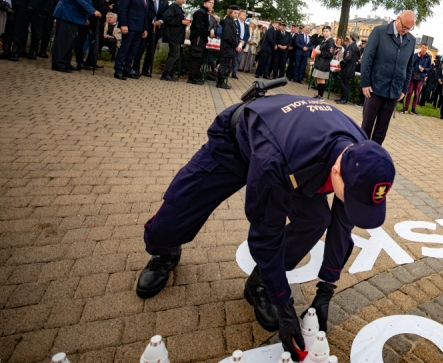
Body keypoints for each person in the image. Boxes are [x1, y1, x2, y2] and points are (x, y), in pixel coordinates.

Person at [135, 89, 396, 361]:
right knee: (166, 227)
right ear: (336, 172)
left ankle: (259, 283)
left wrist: (326, 289)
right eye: (352, 198)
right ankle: (165, 252)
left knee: (317, 218)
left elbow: (342, 223)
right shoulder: (276, 163)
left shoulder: (361, 155)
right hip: (237, 143)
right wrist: (284, 303)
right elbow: (264, 235)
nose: (352, 204)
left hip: (297, 158)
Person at [360, 10, 416, 145]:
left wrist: (404, 89)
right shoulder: (379, 32)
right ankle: (360, 154)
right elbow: (367, 59)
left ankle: (375, 155)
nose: (405, 31)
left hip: (394, 91)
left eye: (409, 29)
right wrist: (365, 83)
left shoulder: (411, 40)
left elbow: (409, 67)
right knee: (367, 126)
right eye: (403, 27)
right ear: (397, 19)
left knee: (381, 129)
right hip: (374, 88)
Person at [50, 0, 101, 72]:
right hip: (67, 14)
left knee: (70, 41)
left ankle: (65, 62)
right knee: (63, 40)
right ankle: (59, 63)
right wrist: (92, 11)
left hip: (74, 16)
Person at [114, 0, 150, 80]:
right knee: (125, 48)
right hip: (129, 26)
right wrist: (123, 24)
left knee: (133, 50)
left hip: (139, 28)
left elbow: (145, 13)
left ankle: (127, 69)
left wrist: (145, 28)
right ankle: (118, 69)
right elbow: (123, 9)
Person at [134, 0, 168, 77]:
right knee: (141, 48)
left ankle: (146, 69)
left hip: (157, 29)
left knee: (151, 50)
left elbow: (166, 15)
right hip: (146, 27)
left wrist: (160, 21)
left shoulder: (164, 3)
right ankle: (136, 68)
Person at [158, 0, 188, 81]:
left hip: (177, 35)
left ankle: (168, 72)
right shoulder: (173, 7)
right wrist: (181, 22)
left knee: (173, 54)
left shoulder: (179, 8)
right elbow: (167, 18)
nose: (183, 0)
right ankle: (166, 73)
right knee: (175, 54)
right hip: (173, 35)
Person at [187, 0, 215, 85]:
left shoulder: (204, 13)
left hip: (201, 38)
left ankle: (195, 75)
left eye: (213, 3)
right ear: (205, 2)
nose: (211, 4)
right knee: (196, 56)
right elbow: (200, 27)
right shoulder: (200, 12)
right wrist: (208, 33)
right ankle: (192, 77)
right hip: (198, 37)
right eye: (210, 2)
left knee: (199, 57)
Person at [402, 44, 432, 114]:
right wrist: (418, 58)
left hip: (420, 77)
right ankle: (406, 107)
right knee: (409, 92)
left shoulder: (428, 57)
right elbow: (411, 64)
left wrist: (424, 69)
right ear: (420, 47)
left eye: (426, 48)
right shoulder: (415, 55)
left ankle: (413, 108)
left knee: (417, 94)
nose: (424, 49)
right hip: (413, 76)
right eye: (423, 47)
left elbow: (429, 68)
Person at [215, 6, 240, 89]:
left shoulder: (232, 22)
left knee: (230, 64)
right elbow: (228, 36)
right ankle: (220, 82)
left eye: (237, 13)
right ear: (230, 12)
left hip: (230, 47)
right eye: (235, 13)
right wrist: (235, 44)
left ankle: (222, 80)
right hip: (227, 47)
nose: (236, 15)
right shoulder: (228, 22)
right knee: (225, 64)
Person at [336, 31, 361, 105]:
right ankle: (343, 98)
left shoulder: (351, 46)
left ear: (351, 37)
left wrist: (341, 63)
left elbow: (347, 58)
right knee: (345, 84)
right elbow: (357, 57)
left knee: (345, 84)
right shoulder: (356, 47)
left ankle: (344, 99)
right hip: (351, 69)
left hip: (347, 69)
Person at [311, 25, 335, 100]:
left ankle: (321, 96)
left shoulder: (330, 41)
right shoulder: (324, 40)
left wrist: (320, 52)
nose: (325, 33)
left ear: (330, 32)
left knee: (321, 79)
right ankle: (318, 95)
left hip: (324, 63)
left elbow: (330, 54)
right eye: (324, 31)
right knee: (318, 79)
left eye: (327, 31)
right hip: (319, 62)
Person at [231, 10, 249, 79]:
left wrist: (244, 41)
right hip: (235, 43)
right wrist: (239, 40)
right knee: (232, 58)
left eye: (245, 15)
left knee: (238, 59)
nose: (245, 16)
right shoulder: (235, 23)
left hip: (242, 44)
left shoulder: (246, 25)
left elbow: (247, 35)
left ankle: (234, 73)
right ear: (239, 15)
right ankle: (228, 71)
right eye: (243, 15)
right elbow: (234, 33)